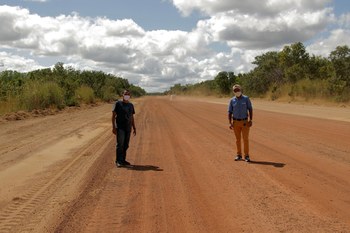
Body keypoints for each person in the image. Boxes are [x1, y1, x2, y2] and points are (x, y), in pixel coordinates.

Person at [228, 84, 253, 162]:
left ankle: (247, 156)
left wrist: (250, 120)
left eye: (238, 90)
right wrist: (230, 123)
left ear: (240, 89)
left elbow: (250, 109)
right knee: (237, 140)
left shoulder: (246, 99)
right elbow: (229, 112)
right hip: (235, 122)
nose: (237, 91)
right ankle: (239, 155)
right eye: (235, 90)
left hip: (245, 122)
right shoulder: (232, 100)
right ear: (233, 91)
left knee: (245, 139)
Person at [112, 90, 136, 167]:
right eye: (125, 94)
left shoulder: (131, 105)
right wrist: (113, 127)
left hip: (128, 128)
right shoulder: (118, 104)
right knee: (120, 145)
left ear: (130, 96)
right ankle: (118, 161)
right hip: (120, 127)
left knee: (126, 145)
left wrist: (134, 127)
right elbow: (113, 116)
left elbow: (132, 117)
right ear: (122, 94)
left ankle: (123, 160)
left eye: (128, 94)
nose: (127, 95)